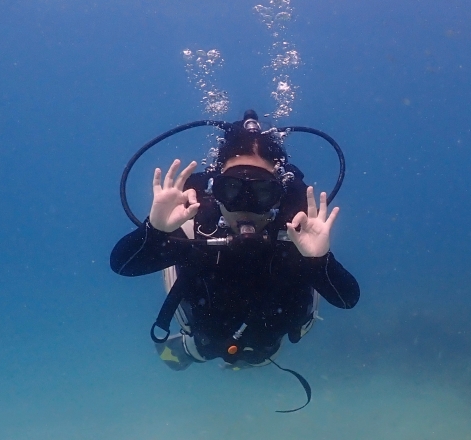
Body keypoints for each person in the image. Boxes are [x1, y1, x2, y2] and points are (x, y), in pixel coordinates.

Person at [110, 110, 360, 372]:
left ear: (279, 193)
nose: (245, 205)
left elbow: (347, 299)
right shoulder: (199, 224)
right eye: (231, 189)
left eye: (262, 191)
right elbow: (123, 265)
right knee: (204, 348)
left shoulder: (295, 232)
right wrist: (156, 230)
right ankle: (191, 350)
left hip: (267, 344)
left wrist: (319, 261)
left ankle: (225, 355)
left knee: (259, 353)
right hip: (206, 336)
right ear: (214, 190)